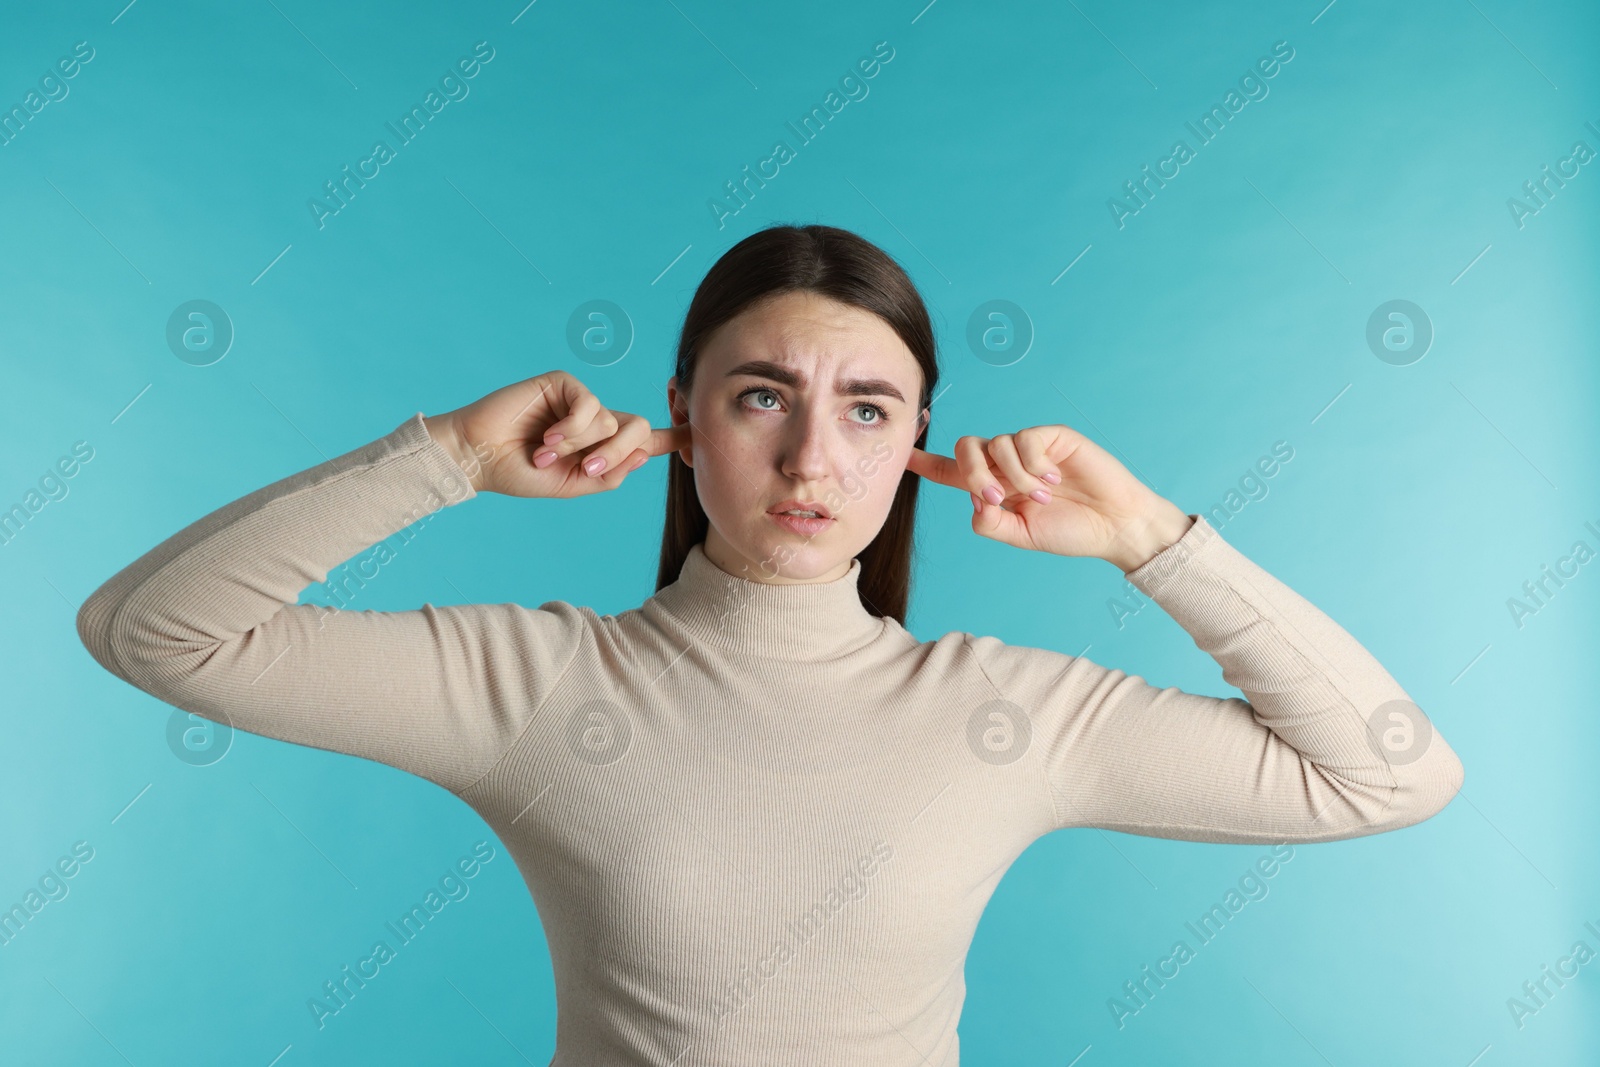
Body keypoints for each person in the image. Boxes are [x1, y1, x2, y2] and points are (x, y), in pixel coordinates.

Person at [77, 224, 1463, 1064]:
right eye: (761, 398)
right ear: (683, 417)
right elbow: (150, 633)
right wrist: (441, 458)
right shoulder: (538, 687)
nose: (811, 456)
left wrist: (1155, 535)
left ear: (918, 447)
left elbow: (1389, 776)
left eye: (869, 409)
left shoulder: (1007, 713)